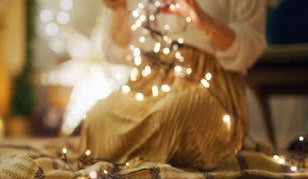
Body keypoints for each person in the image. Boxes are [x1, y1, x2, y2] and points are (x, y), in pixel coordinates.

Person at [78, 0, 267, 170]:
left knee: (173, 115)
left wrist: (204, 22)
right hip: (148, 82)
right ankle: (141, 166)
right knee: (97, 118)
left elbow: (250, 49)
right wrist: (120, 9)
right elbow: (116, 53)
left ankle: (140, 165)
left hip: (210, 82)